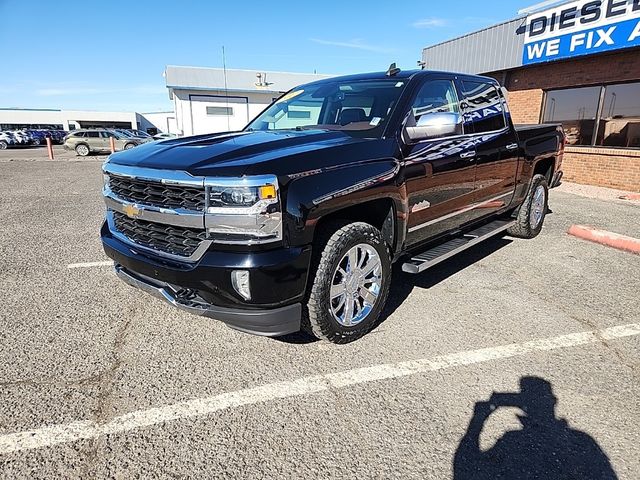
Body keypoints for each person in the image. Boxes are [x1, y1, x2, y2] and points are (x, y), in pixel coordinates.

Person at [454, 376, 617, 480]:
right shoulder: (582, 441)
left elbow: (465, 468)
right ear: (553, 401)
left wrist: (478, 420)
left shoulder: (512, 441)